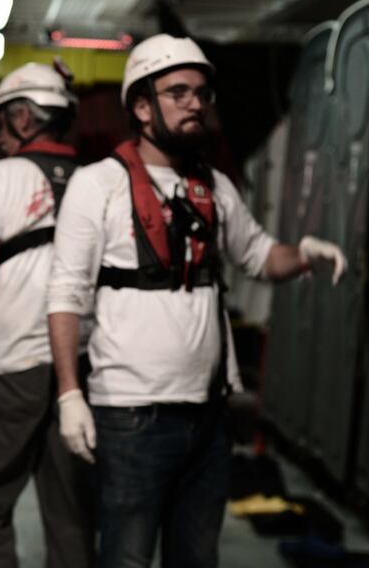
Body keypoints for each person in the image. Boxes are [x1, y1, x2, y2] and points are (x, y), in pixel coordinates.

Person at [47, 34, 348, 568]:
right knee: (126, 558)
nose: (196, 104)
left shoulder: (214, 187)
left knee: (196, 558)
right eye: (178, 92)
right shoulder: (97, 186)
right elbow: (65, 295)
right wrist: (70, 394)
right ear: (142, 107)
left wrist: (303, 254)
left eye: (202, 93)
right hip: (131, 415)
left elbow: (259, 256)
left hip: (207, 417)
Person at [0, 60, 95, 568]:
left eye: (2, 121)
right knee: (71, 512)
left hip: (9, 367)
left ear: (26, 118)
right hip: (79, 367)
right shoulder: (97, 181)